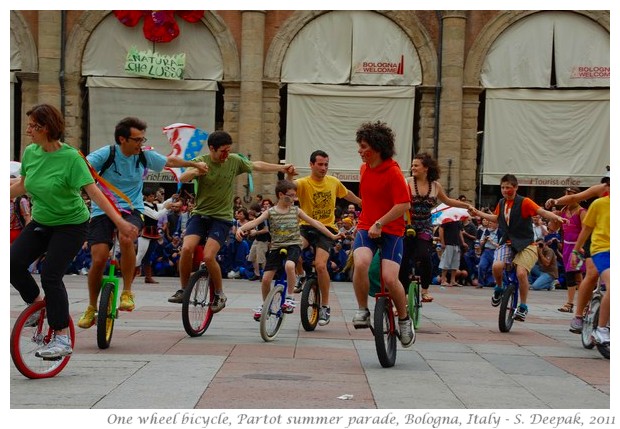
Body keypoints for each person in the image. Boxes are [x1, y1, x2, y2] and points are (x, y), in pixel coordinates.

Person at [10, 104, 139, 358]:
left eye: (32, 126)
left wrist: (121, 222)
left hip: (71, 225)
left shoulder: (71, 159)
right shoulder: (31, 153)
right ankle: (37, 305)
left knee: (50, 275)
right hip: (42, 221)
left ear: (46, 128)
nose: (28, 131)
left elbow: (95, 194)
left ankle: (61, 336)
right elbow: (24, 185)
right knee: (10, 263)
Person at [77, 117, 208, 329]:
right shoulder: (107, 154)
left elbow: (170, 161)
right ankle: (92, 307)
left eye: (142, 138)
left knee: (127, 237)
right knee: (99, 258)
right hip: (103, 210)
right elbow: (83, 166)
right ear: (122, 139)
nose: (140, 143)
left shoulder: (144, 156)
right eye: (136, 139)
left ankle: (127, 292)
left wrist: (193, 163)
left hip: (131, 208)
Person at [168, 130, 296, 307]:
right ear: (212, 149)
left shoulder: (234, 160)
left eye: (229, 150)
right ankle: (183, 289)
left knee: (208, 256)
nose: (226, 155)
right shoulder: (201, 162)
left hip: (221, 218)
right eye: (223, 151)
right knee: (186, 249)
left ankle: (219, 294)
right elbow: (183, 177)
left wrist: (281, 167)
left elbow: (255, 165)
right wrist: (197, 170)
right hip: (200, 215)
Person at [236, 180, 342, 320]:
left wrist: (332, 235)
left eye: (294, 196)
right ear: (280, 195)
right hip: (276, 247)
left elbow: (315, 223)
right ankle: (265, 304)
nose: (293, 199)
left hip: (293, 245)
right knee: (266, 279)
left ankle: (290, 297)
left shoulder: (296, 210)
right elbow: (254, 222)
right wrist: (241, 228)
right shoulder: (270, 212)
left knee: (290, 265)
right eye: (290, 196)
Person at [350, 121, 414, 348]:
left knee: (389, 278)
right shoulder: (363, 169)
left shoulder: (393, 172)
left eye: (364, 146)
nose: (360, 150)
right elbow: (369, 200)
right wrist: (370, 222)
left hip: (392, 231)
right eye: (359, 146)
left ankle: (404, 319)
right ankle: (362, 310)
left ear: (376, 147)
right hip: (367, 226)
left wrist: (381, 222)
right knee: (361, 263)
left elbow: (404, 204)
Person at [469, 174, 565, 322]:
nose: (504, 190)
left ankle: (523, 306)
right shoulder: (501, 203)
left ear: (515, 188)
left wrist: (555, 217)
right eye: (502, 187)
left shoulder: (524, 202)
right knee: (497, 266)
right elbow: (496, 218)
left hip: (526, 244)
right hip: (507, 242)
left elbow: (541, 211)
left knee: (521, 274)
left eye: (508, 187)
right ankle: (499, 288)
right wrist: (477, 212)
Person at [286, 149, 361, 326]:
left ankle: (325, 307)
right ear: (311, 164)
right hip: (306, 226)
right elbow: (287, 189)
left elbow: (347, 193)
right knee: (293, 247)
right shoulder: (303, 183)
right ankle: (301, 274)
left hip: (327, 228)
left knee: (320, 266)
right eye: (320, 164)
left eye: (326, 164)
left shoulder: (333, 182)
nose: (323, 168)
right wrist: (288, 176)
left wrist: (360, 202)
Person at [398, 153, 473, 303]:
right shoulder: (407, 182)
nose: (413, 168)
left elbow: (448, 201)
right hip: (407, 225)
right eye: (412, 165)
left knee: (424, 256)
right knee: (404, 260)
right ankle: (404, 293)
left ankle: (425, 290)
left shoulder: (435, 186)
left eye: (416, 165)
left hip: (425, 226)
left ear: (426, 168)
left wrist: (466, 206)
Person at [570, 191, 609, 351]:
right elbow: (573, 198)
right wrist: (576, 250)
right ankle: (579, 316)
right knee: (592, 274)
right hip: (599, 245)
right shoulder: (599, 197)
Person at [135, 184, 174, 284]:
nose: (153, 198)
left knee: (149, 255)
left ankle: (148, 277)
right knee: (140, 254)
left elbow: (164, 205)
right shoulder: (143, 206)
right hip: (145, 232)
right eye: (151, 196)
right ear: (146, 197)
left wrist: (172, 198)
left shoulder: (155, 205)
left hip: (153, 232)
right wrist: (166, 208)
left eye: (153, 196)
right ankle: (131, 274)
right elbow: (156, 216)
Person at [556, 187, 586, 312]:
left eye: (570, 194)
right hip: (566, 246)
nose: (567, 197)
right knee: (577, 275)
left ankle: (571, 303)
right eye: (566, 194)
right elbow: (559, 227)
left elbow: (586, 230)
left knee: (572, 274)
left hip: (577, 247)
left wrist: (581, 246)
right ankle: (583, 305)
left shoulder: (582, 212)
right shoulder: (563, 210)